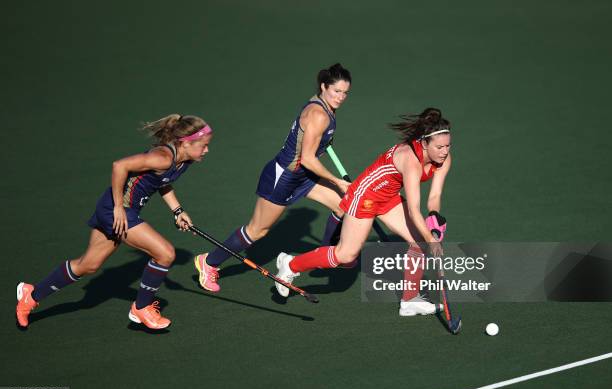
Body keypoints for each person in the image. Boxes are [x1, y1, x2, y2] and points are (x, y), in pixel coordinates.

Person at [16, 114, 213, 330]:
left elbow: (162, 181)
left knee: (88, 264)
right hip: (116, 210)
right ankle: (142, 307)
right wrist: (119, 207)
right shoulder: (163, 157)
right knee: (166, 253)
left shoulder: (183, 161)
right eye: (203, 146)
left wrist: (177, 210)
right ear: (186, 142)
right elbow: (119, 165)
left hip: (116, 210)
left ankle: (31, 295)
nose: (206, 150)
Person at [274, 107, 452, 316]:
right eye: (439, 147)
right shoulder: (411, 162)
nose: (444, 151)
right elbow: (413, 209)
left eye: (448, 145)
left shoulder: (444, 159)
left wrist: (433, 218)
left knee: (419, 243)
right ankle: (291, 264)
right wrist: (432, 240)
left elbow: (434, 197)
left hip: (389, 197)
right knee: (345, 254)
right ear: (424, 143)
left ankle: (410, 300)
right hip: (365, 196)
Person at [194, 63, 353, 292]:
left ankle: (326, 254)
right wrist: (337, 181)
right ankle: (208, 262)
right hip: (284, 177)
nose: (341, 97)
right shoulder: (319, 114)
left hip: (303, 176)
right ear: (323, 86)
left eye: (345, 92)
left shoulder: (325, 107)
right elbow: (308, 159)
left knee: (343, 205)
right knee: (257, 230)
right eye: (336, 91)